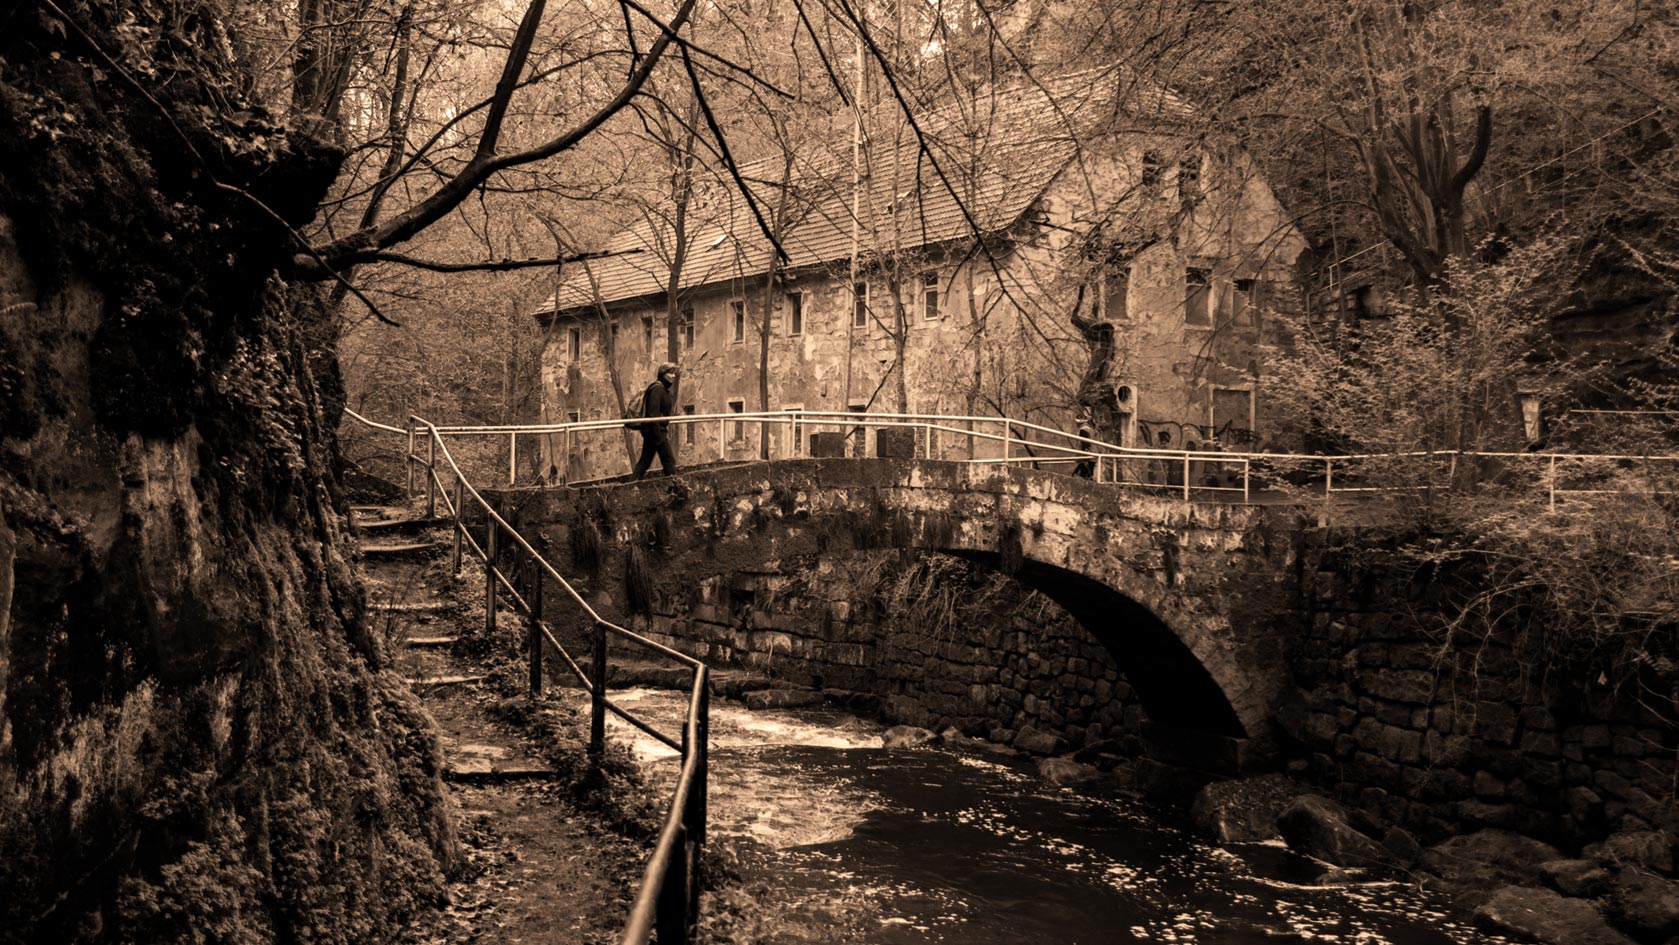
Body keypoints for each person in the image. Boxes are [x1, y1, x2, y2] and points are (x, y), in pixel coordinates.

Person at [632, 362, 680, 480]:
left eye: (674, 373)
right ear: (663, 374)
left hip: (653, 431)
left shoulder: (663, 389)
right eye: (670, 373)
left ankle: (630, 486)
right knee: (669, 461)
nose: (673, 376)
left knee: (644, 462)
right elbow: (653, 414)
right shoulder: (657, 389)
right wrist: (659, 438)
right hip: (655, 431)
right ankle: (678, 490)